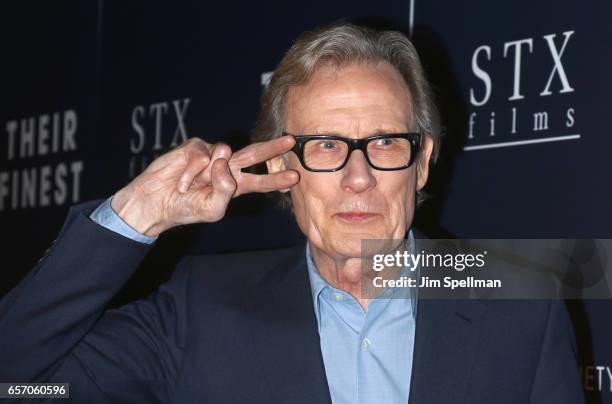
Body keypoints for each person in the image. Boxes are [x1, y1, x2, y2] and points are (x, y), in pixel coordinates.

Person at [0, 22, 584, 403]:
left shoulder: (520, 304)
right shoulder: (198, 310)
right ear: (286, 172)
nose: (359, 178)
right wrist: (137, 215)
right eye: (326, 146)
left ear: (422, 162)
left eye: (384, 143)